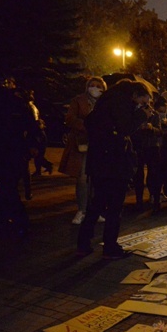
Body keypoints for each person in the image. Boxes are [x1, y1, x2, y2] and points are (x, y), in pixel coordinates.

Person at [77, 80, 152, 259]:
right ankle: (110, 247)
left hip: (101, 161)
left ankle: (83, 243)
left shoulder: (109, 100)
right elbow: (124, 127)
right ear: (135, 94)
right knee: (114, 206)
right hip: (113, 162)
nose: (143, 105)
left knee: (97, 203)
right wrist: (142, 115)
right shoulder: (120, 103)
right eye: (143, 101)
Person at [0, 74, 39, 237]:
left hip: (10, 150)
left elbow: (31, 126)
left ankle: (16, 220)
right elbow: (32, 126)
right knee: (6, 187)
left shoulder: (16, 104)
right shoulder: (17, 103)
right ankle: (7, 219)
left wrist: (31, 146)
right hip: (11, 150)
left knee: (6, 187)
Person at [59, 77, 107, 224]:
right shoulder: (78, 101)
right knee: (83, 178)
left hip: (101, 145)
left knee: (97, 178)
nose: (94, 88)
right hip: (83, 144)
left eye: (98, 86)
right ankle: (82, 210)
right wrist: (87, 125)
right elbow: (70, 119)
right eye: (92, 85)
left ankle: (95, 210)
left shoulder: (105, 102)